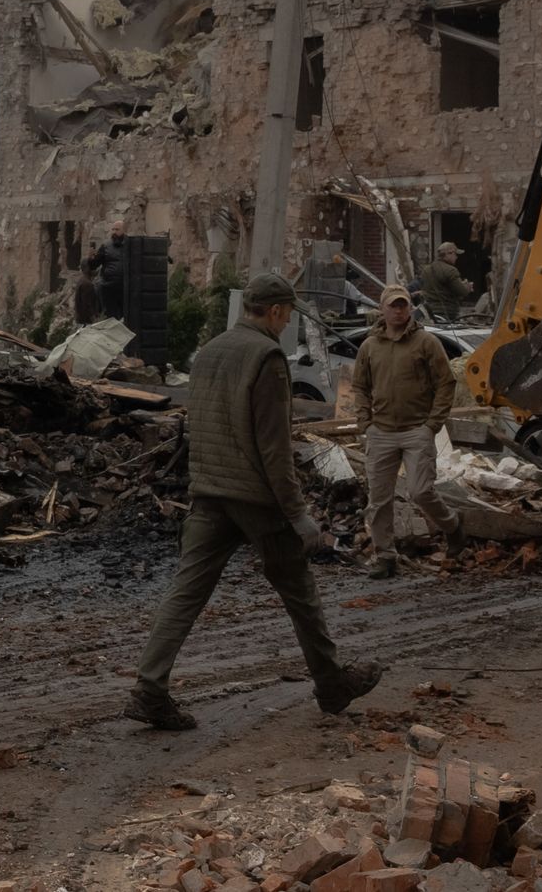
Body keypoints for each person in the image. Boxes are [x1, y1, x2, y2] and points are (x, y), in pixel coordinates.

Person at [126, 272, 383, 730]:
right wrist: (299, 515)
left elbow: (197, 425)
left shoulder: (208, 352)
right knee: (299, 590)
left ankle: (149, 689)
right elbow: (274, 448)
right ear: (277, 311)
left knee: (185, 593)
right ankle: (331, 684)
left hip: (208, 491)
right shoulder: (266, 357)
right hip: (256, 498)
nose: (286, 326)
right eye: (287, 316)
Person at [352, 284, 462, 578]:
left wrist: (432, 425)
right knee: (378, 500)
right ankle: (385, 556)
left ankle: (453, 526)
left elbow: (446, 383)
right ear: (383, 309)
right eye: (393, 305)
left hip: (417, 430)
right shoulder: (369, 346)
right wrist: (366, 424)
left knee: (420, 491)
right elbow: (360, 387)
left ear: (410, 309)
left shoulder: (425, 342)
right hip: (382, 432)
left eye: (404, 305)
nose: (399, 310)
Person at [418, 242, 472, 322]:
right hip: (448, 313)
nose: (456, 257)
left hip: (430, 312)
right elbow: (462, 292)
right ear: (448, 254)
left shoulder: (426, 270)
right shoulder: (451, 270)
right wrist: (467, 287)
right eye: (455, 254)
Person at [86, 219, 129, 319]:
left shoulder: (131, 245)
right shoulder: (105, 246)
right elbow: (93, 266)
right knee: (110, 317)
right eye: (113, 229)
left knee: (126, 317)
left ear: (124, 230)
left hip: (126, 288)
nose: (114, 232)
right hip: (109, 288)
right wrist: (90, 258)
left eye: (117, 229)